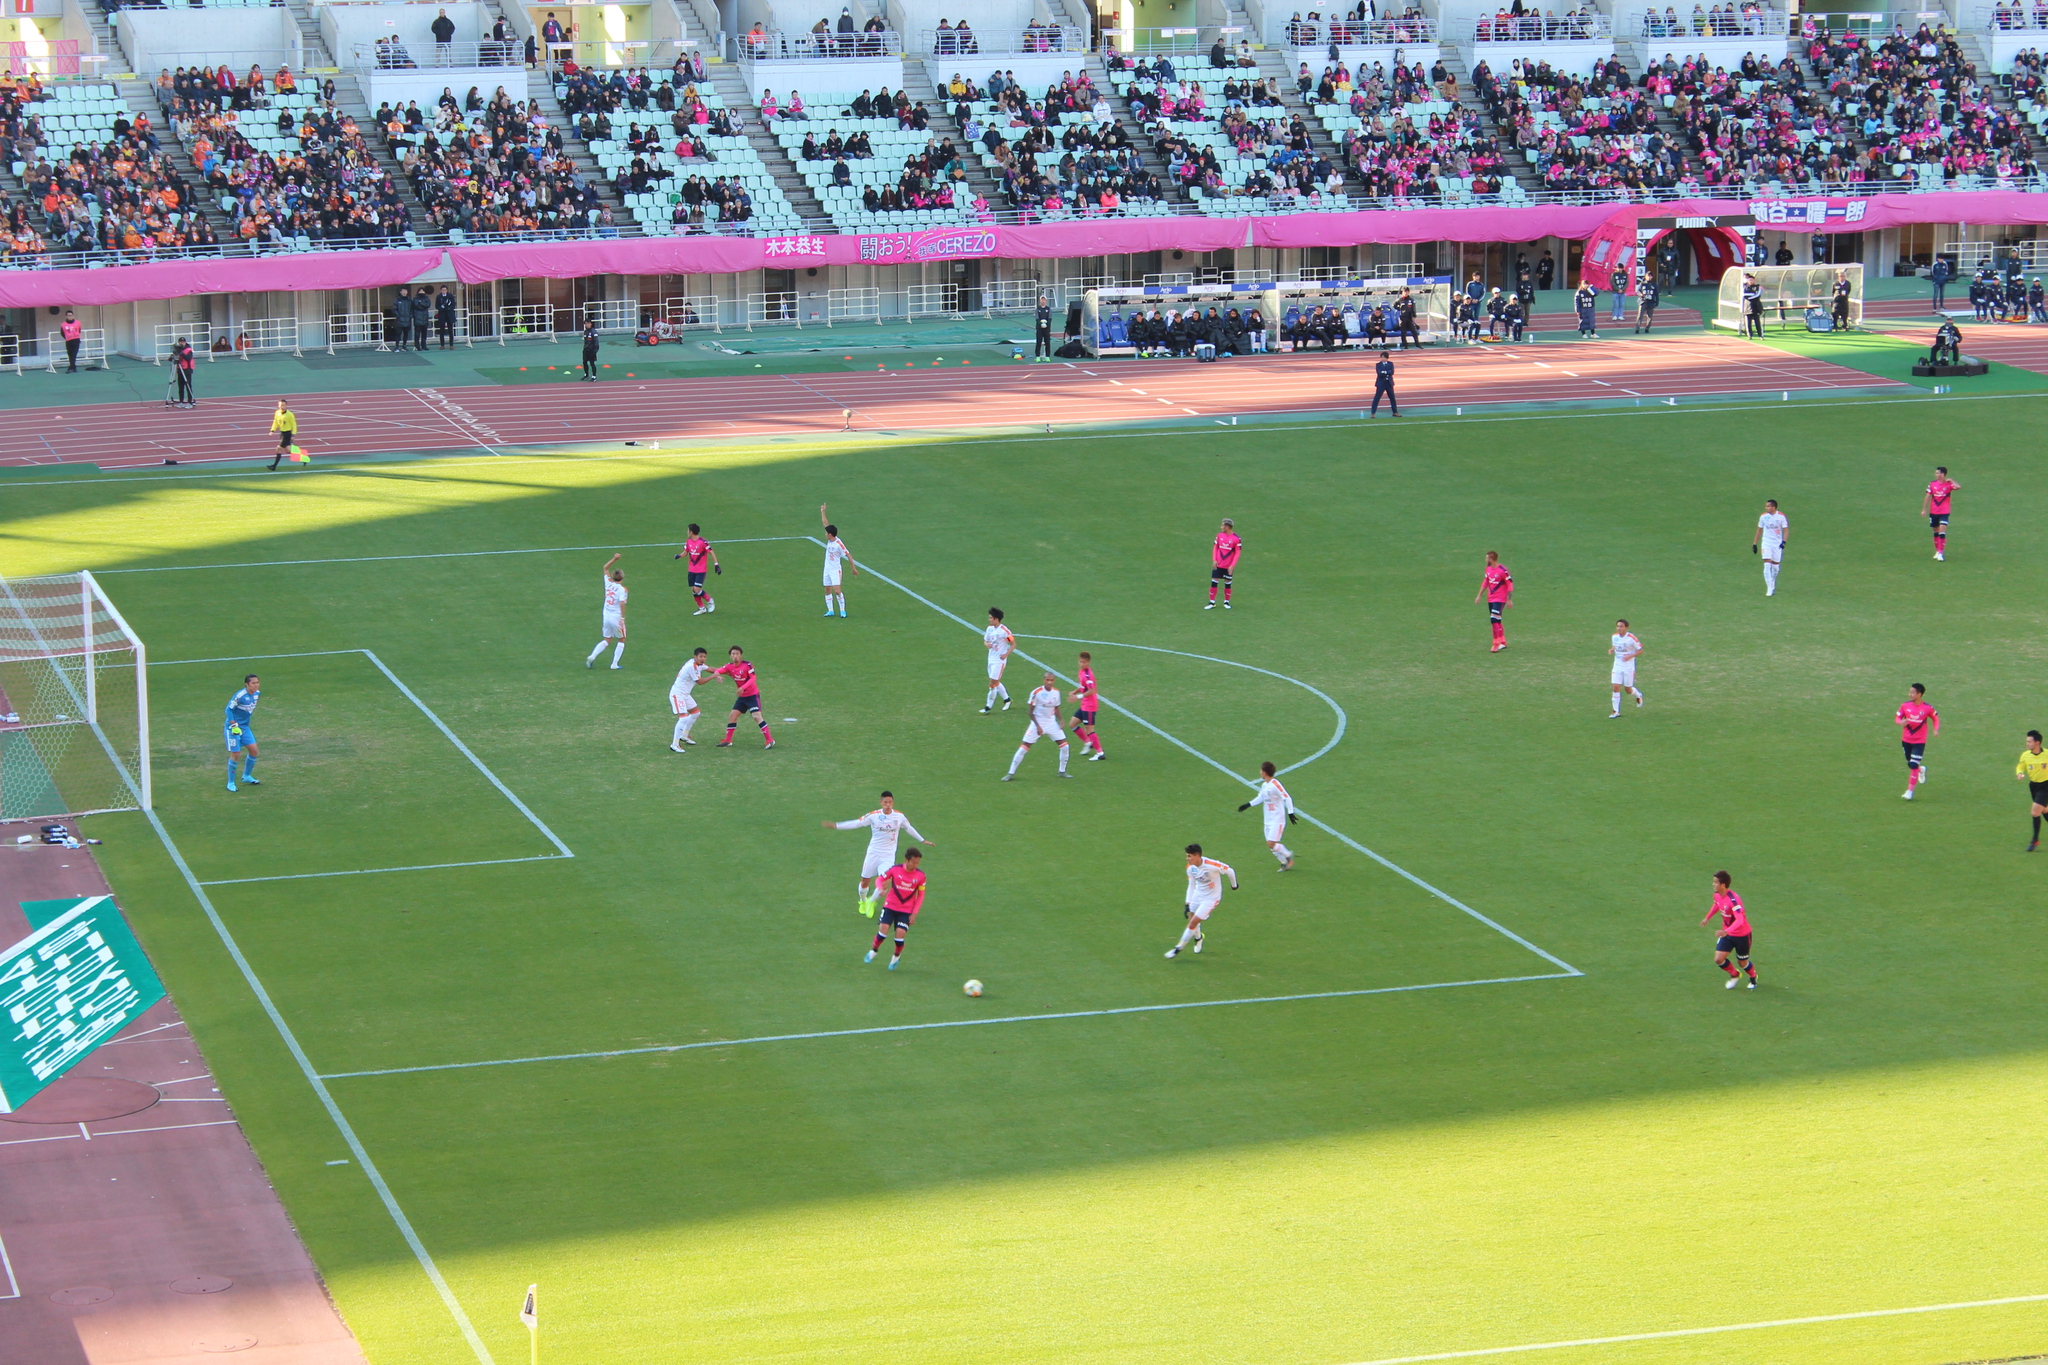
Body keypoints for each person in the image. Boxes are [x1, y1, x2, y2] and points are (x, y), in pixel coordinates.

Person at [826, 790, 933, 916]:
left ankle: (871, 902)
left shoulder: (899, 816)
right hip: (873, 853)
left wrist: (922, 840)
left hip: (888, 855)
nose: (888, 804)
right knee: (865, 881)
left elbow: (908, 828)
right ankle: (863, 901)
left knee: (885, 882)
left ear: (893, 803)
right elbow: (856, 823)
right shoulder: (873, 816)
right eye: (885, 802)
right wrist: (836, 826)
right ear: (881, 803)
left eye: (890, 802)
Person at [1165, 843, 1237, 958]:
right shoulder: (1190, 867)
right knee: (1191, 921)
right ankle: (1198, 938)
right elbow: (1191, 884)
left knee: (1193, 922)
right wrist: (1187, 903)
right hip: (1198, 895)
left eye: (1189, 856)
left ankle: (1178, 948)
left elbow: (1230, 871)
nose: (1187, 858)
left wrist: (1234, 885)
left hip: (1211, 899)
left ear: (1197, 856)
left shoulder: (1212, 865)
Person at [864, 846, 927, 969]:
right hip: (890, 906)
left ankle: (896, 957)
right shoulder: (895, 870)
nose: (915, 865)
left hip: (906, 910)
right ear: (906, 860)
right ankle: (874, 950)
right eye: (913, 862)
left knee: (899, 935)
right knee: (882, 931)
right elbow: (880, 878)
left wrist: (914, 913)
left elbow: (921, 896)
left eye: (917, 862)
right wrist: (880, 887)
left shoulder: (920, 876)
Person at [1002, 672, 1071, 780]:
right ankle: (1010, 773)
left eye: (1051, 680)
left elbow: (1056, 707)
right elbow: (1030, 711)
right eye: (1047, 680)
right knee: (1024, 747)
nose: (1049, 682)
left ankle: (1062, 771)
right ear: (1044, 680)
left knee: (1065, 746)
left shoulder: (1056, 692)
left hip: (1051, 723)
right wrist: (1038, 726)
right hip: (1037, 723)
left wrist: (1061, 719)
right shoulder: (1036, 692)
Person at [1699, 870, 1756, 989]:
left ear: (1723, 885)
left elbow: (1740, 920)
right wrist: (1707, 917)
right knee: (1718, 959)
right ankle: (1735, 975)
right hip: (1728, 934)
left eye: (1715, 882)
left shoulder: (1734, 900)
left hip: (1742, 935)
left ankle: (1753, 977)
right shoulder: (1717, 895)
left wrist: (1726, 931)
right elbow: (1717, 904)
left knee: (1742, 963)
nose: (1713, 884)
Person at [1238, 760, 1297, 868]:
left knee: (1271, 843)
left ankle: (1288, 855)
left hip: (1277, 819)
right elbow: (1261, 797)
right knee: (1271, 846)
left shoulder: (1275, 784)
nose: (1260, 772)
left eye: (1261, 770)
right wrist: (1248, 805)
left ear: (1264, 772)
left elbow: (1287, 797)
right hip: (1268, 819)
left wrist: (1291, 813)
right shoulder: (1265, 785)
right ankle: (1284, 862)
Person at [713, 645, 774, 748]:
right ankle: (728, 740)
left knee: (756, 716)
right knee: (732, 716)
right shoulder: (729, 666)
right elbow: (717, 671)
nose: (735, 656)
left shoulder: (747, 665)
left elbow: (753, 678)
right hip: (742, 697)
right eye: (733, 654)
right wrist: (717, 675)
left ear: (741, 655)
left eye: (737, 654)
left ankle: (770, 740)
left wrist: (743, 688)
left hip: (752, 695)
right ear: (730, 656)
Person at [1895, 683, 1939, 800]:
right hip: (1906, 740)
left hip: (1919, 741)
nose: (1910, 694)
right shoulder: (1905, 706)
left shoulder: (1927, 708)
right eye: (1910, 692)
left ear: (1919, 694)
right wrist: (1900, 722)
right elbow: (1898, 717)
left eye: (1913, 693)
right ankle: (1921, 769)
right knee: (1911, 764)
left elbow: (1935, 718)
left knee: (1914, 764)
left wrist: (1935, 729)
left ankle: (1910, 792)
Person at [586, 553, 628, 668]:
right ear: (623, 578)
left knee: (607, 639)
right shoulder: (622, 590)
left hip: (606, 616)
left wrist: (614, 559)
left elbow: (605, 568)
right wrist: (622, 618)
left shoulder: (608, 584)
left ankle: (592, 656)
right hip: (616, 617)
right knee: (621, 639)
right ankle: (614, 664)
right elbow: (622, 603)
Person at [817, 503, 857, 616]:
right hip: (827, 569)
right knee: (827, 589)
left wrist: (853, 568)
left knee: (837, 590)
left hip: (835, 569)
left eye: (826, 533)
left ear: (830, 534)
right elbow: (825, 523)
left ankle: (842, 610)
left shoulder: (839, 544)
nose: (825, 534)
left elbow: (848, 555)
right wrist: (823, 511)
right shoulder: (830, 540)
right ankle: (830, 610)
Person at [223, 673, 261, 793]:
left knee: (254, 751)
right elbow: (228, 709)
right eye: (253, 683)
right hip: (232, 728)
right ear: (247, 684)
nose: (256, 685)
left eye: (257, 682)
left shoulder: (257, 694)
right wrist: (233, 725)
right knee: (236, 753)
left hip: (244, 727)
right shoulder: (240, 696)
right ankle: (230, 783)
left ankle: (246, 776)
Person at [669, 646, 711, 752]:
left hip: (685, 695)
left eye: (704, 657)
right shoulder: (691, 666)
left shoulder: (698, 665)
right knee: (683, 718)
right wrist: (714, 676)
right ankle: (674, 744)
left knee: (695, 713)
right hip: (677, 694)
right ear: (695, 656)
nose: (703, 658)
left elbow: (711, 669)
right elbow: (700, 682)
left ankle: (684, 735)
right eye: (700, 656)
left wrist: (729, 671)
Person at [672, 523, 719, 613]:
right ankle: (702, 608)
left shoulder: (702, 542)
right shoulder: (688, 541)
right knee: (693, 589)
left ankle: (710, 600)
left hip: (701, 570)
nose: (687, 532)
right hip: (691, 569)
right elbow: (685, 553)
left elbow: (711, 552)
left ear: (691, 532)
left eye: (688, 530)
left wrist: (716, 565)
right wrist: (679, 556)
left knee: (697, 589)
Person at [1068, 651, 1105, 760]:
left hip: (1090, 706)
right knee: (1072, 724)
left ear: (1088, 662)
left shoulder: (1088, 675)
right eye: (1080, 662)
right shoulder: (1081, 672)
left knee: (1089, 730)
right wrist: (1075, 691)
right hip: (1084, 705)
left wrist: (1078, 697)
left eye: (1084, 662)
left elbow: (1091, 690)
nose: (1081, 664)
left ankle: (1100, 753)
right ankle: (1088, 742)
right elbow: (1083, 686)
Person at [1475, 550, 1513, 652]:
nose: (1485, 560)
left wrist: (1509, 599)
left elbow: (1509, 584)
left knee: (1493, 619)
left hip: (1500, 599)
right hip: (1491, 598)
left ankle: (1496, 643)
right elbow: (1486, 582)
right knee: (1497, 619)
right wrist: (1479, 595)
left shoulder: (1502, 570)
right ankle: (1503, 641)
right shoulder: (1488, 569)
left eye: (1487, 558)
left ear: (1491, 559)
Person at [2018, 729, 2048, 851]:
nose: (2027, 744)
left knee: (2035, 812)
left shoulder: (2047, 754)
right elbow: (2021, 765)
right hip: (2034, 787)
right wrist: (2019, 773)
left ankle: (2035, 840)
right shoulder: (2025, 755)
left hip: (2046, 786)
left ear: (2037, 743)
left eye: (2029, 742)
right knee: (2044, 810)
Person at [1607, 619, 1644, 717]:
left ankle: (1638, 695)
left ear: (1626, 628)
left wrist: (1630, 656)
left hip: (1628, 667)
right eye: (1618, 626)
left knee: (1628, 690)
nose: (1619, 628)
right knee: (1615, 687)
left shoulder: (1631, 638)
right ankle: (1615, 711)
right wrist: (1612, 650)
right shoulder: (1614, 637)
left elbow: (1640, 650)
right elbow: (1615, 645)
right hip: (1617, 665)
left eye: (1621, 626)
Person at [981, 607, 1014, 712]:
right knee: (996, 682)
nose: (989, 619)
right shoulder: (989, 629)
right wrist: (987, 644)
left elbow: (1013, 644)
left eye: (991, 618)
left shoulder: (1004, 631)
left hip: (999, 661)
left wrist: (1006, 655)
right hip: (990, 659)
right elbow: (985, 641)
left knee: (992, 684)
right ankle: (1007, 700)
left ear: (996, 619)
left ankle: (988, 707)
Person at [1753, 498, 1788, 596]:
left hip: (1776, 544)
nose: (1766, 508)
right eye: (1766, 506)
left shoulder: (1781, 517)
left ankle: (1772, 581)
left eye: (1768, 506)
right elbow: (1759, 530)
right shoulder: (1763, 517)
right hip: (1766, 543)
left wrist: (1783, 542)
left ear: (1773, 507)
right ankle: (1769, 587)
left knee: (1775, 567)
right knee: (1767, 564)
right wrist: (1755, 544)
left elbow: (1786, 530)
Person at [1924, 465, 1958, 561]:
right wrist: (1924, 509)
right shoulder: (1932, 484)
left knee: (1942, 531)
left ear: (1943, 474)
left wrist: (1951, 480)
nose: (1936, 475)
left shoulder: (1948, 485)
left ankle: (1941, 553)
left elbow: (1958, 487)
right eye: (1936, 473)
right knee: (1936, 531)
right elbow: (1927, 496)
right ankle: (1937, 551)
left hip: (1944, 512)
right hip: (1934, 511)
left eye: (1938, 473)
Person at [1208, 517, 1241, 609]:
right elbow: (1215, 547)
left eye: (1223, 525)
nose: (1221, 527)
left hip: (1228, 566)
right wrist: (1214, 560)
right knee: (1214, 581)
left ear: (1227, 527)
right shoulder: (1219, 536)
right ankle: (1212, 602)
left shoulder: (1236, 539)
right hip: (1218, 564)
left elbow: (1238, 553)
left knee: (1228, 583)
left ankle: (1226, 602)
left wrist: (1232, 565)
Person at [267, 399, 298, 470]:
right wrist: (272, 430)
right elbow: (275, 422)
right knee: (288, 450)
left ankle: (274, 466)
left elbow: (294, 425)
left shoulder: (290, 414)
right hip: (282, 433)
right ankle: (303, 457)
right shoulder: (277, 413)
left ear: (286, 405)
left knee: (279, 449)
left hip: (287, 434)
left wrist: (293, 434)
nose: (282, 407)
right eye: (280, 405)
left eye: (283, 405)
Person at [1370, 349, 1399, 416]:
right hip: (1381, 383)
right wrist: (1387, 372)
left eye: (1384, 357)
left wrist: (1385, 372)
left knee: (1392, 398)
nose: (1382, 358)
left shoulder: (1390, 364)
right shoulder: (1378, 365)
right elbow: (1379, 373)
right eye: (1381, 357)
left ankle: (1395, 412)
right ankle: (1373, 413)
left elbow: (1392, 372)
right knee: (1377, 398)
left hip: (1389, 383)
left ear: (1387, 358)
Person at [172, 337, 196, 406]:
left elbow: (188, 358)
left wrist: (181, 353)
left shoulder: (189, 350)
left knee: (188, 386)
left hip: (187, 369)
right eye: (180, 342)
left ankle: (190, 402)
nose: (182, 343)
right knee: (180, 386)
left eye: (183, 342)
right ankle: (181, 401)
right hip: (180, 369)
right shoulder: (178, 349)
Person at [1034, 293, 1053, 359]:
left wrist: (1046, 324)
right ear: (1040, 301)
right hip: (1039, 329)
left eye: (1044, 299)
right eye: (1042, 300)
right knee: (1038, 342)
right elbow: (1037, 318)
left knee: (1047, 342)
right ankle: (1037, 356)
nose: (1043, 301)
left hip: (1047, 329)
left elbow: (1050, 318)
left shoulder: (1049, 309)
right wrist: (1041, 323)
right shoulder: (1037, 309)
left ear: (1046, 301)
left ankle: (1047, 356)